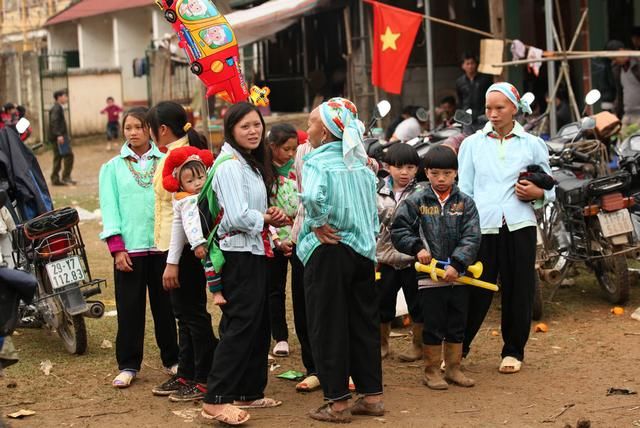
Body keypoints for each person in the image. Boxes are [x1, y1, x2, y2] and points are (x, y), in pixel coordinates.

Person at [298, 97, 384, 423]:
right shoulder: (360, 163)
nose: (307, 130)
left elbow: (311, 196)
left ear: (325, 132)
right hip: (363, 251)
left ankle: (337, 403)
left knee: (328, 325)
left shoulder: (317, 161)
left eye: (311, 124)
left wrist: (318, 221)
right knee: (363, 323)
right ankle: (372, 396)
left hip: (330, 251)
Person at [458, 82, 554, 374]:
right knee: (475, 287)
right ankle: (457, 349)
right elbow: (465, 189)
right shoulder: (472, 144)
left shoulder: (532, 144)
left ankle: (513, 351)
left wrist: (537, 194)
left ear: (515, 108)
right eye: (489, 108)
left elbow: (549, 186)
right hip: (482, 225)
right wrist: (463, 228)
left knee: (519, 288)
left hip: (519, 223)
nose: (493, 113)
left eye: (500, 108)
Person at [201, 102, 286, 426]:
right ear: (231, 130)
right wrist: (264, 217)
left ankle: (249, 390)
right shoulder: (228, 166)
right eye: (245, 126)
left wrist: (270, 218)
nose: (253, 131)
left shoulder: (248, 163)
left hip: (256, 250)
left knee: (258, 323)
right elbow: (236, 216)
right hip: (237, 253)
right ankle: (216, 398)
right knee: (239, 325)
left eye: (257, 125)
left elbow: (252, 212)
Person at [99, 107, 180, 389]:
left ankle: (173, 359)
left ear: (150, 129)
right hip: (129, 251)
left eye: (138, 127)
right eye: (128, 127)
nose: (133, 132)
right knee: (130, 310)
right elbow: (110, 208)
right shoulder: (112, 168)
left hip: (162, 248)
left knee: (166, 308)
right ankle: (128, 365)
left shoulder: (167, 160)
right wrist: (117, 247)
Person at [391, 145, 481, 389]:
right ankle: (431, 371)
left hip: (458, 277)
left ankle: (453, 368)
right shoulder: (417, 200)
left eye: (447, 174)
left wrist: (459, 263)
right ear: (426, 172)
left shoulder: (465, 203)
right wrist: (417, 248)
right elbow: (399, 229)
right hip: (429, 277)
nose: (441, 179)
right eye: (435, 173)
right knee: (433, 323)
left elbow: (472, 236)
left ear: (456, 173)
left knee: (456, 322)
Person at [148, 101, 217, 402]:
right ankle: (187, 373)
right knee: (184, 314)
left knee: (192, 313)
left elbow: (182, 212)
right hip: (174, 245)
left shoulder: (182, 159)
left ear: (161, 129)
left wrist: (173, 260)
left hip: (187, 246)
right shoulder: (173, 154)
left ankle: (204, 376)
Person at [375, 143, 424, 362]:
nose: (404, 172)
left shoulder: (422, 192)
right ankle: (382, 344)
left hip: (413, 258)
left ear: (416, 169)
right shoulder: (376, 191)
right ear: (387, 167)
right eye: (398, 167)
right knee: (382, 302)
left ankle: (418, 346)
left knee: (417, 303)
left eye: (410, 167)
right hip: (385, 258)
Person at [161, 146, 226, 306]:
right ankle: (216, 293)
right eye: (190, 181)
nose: (197, 183)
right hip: (204, 243)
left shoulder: (207, 191)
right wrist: (197, 243)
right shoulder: (187, 200)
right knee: (211, 265)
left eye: (200, 177)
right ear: (181, 184)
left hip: (217, 236)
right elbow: (191, 224)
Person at [265, 123, 299, 357]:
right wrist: (276, 239)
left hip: (299, 236)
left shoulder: (299, 169)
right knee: (274, 289)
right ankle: (280, 337)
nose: (290, 154)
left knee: (302, 289)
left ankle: (307, 333)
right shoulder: (263, 173)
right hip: (272, 238)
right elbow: (262, 210)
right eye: (286, 149)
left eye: (294, 149)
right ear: (273, 147)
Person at [455, 52, 493, 121]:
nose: (470, 66)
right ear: (463, 66)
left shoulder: (485, 79)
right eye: (467, 64)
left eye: (472, 63)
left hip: (482, 115)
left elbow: (490, 96)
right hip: (466, 116)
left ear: (476, 64)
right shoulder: (460, 82)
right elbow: (460, 100)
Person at [49, 89, 75, 186]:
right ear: (59, 97)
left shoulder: (58, 107)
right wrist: (59, 135)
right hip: (59, 137)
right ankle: (65, 177)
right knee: (68, 156)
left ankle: (56, 179)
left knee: (59, 157)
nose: (66, 98)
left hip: (59, 136)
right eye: (65, 96)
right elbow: (54, 122)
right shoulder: (56, 108)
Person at [611, 42, 640, 125]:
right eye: (613, 59)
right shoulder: (617, 69)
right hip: (628, 113)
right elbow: (619, 92)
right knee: (622, 136)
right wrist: (615, 111)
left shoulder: (637, 64)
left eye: (615, 57)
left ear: (621, 51)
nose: (615, 61)